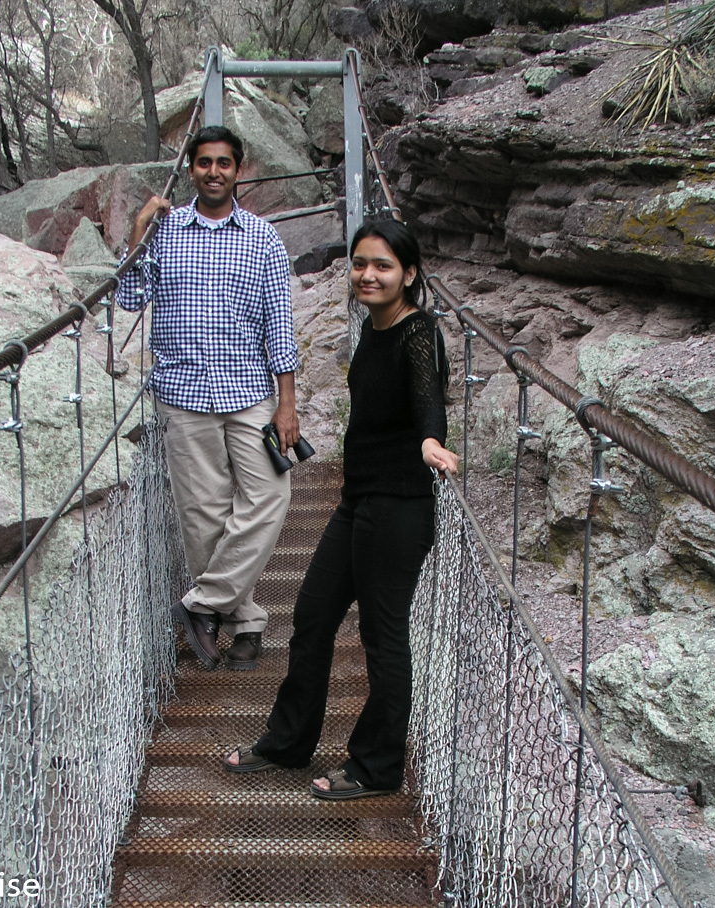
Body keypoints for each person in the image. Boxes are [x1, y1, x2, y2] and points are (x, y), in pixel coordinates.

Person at [223, 219, 458, 799]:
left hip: (399, 506)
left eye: (382, 265)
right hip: (358, 500)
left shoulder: (417, 332)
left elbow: (428, 396)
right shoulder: (372, 329)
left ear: (409, 273)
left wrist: (430, 439)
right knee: (312, 617)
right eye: (359, 263)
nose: (367, 275)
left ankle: (376, 767)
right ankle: (288, 743)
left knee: (382, 638)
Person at [116, 125, 301, 672]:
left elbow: (280, 328)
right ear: (192, 169)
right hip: (183, 394)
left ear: (238, 170)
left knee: (271, 496)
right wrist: (136, 233)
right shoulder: (164, 233)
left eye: (224, 163)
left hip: (249, 395)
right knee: (204, 518)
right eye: (204, 163)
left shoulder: (264, 238)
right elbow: (128, 299)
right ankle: (244, 622)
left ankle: (199, 606)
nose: (214, 172)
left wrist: (287, 404)